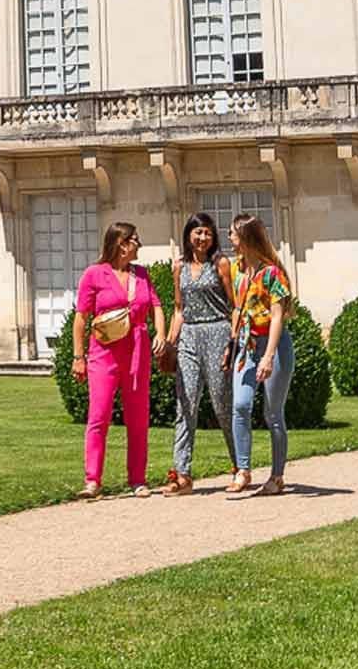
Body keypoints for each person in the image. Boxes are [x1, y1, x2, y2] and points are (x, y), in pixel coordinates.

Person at [73, 220, 158, 497]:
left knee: (138, 417)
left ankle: (137, 479)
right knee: (98, 416)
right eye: (135, 240)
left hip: (137, 352)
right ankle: (92, 480)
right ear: (121, 244)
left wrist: (161, 334)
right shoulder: (94, 274)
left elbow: (156, 305)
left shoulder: (142, 275)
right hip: (104, 352)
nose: (139, 245)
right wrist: (78, 356)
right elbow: (81, 318)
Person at [161, 211, 237, 494]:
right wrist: (170, 342)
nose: (203, 237)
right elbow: (179, 308)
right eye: (198, 232)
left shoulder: (221, 264)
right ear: (188, 236)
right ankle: (182, 474)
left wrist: (233, 341)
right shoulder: (179, 266)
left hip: (217, 332)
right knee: (186, 405)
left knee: (222, 404)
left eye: (207, 232)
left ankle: (240, 466)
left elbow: (234, 305)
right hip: (189, 335)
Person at [227, 212, 293, 499]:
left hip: (274, 345)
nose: (229, 238)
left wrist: (268, 357)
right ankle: (243, 470)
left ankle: (277, 476)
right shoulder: (236, 270)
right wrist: (233, 344)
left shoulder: (272, 273)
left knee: (272, 413)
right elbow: (237, 310)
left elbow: (278, 317)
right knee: (240, 406)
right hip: (247, 345)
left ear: (245, 238)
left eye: (233, 233)